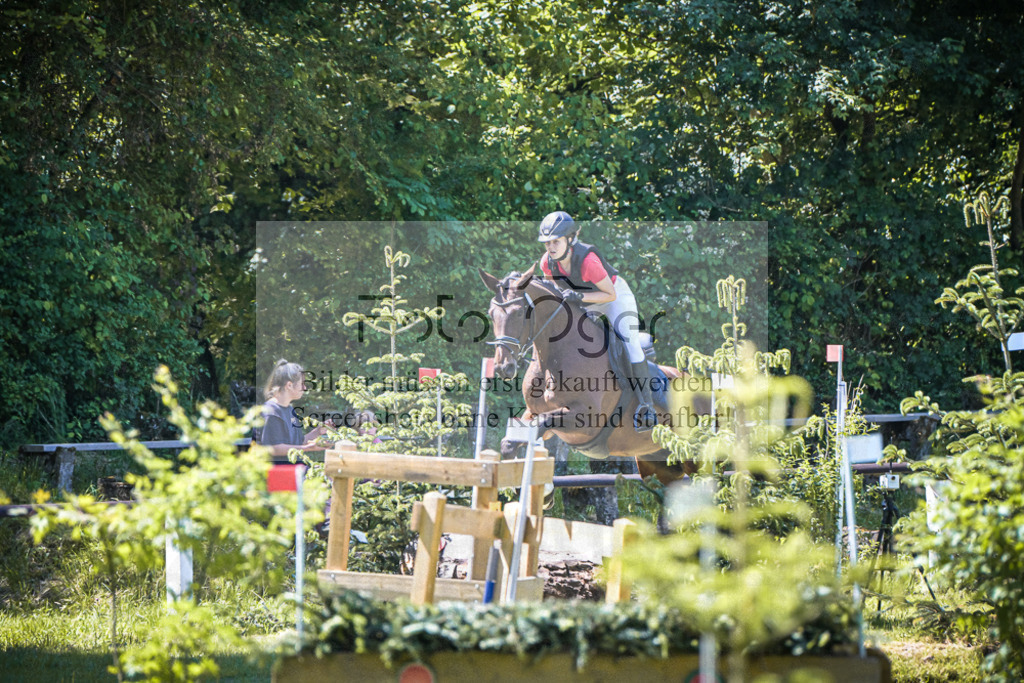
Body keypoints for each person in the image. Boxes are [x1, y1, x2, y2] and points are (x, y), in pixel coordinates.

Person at [535, 210, 658, 432]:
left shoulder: (588, 262)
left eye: (556, 241)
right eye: (547, 243)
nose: (551, 247)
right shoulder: (547, 263)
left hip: (614, 298)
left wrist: (579, 297)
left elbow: (610, 294)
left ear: (570, 239)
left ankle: (646, 407)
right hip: (583, 300)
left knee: (630, 344)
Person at [257, 359, 332, 457]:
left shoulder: (290, 410)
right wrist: (308, 448)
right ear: (289, 385)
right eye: (302, 384)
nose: (305, 388)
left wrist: (318, 431)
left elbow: (299, 442)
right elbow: (274, 448)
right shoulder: (271, 412)